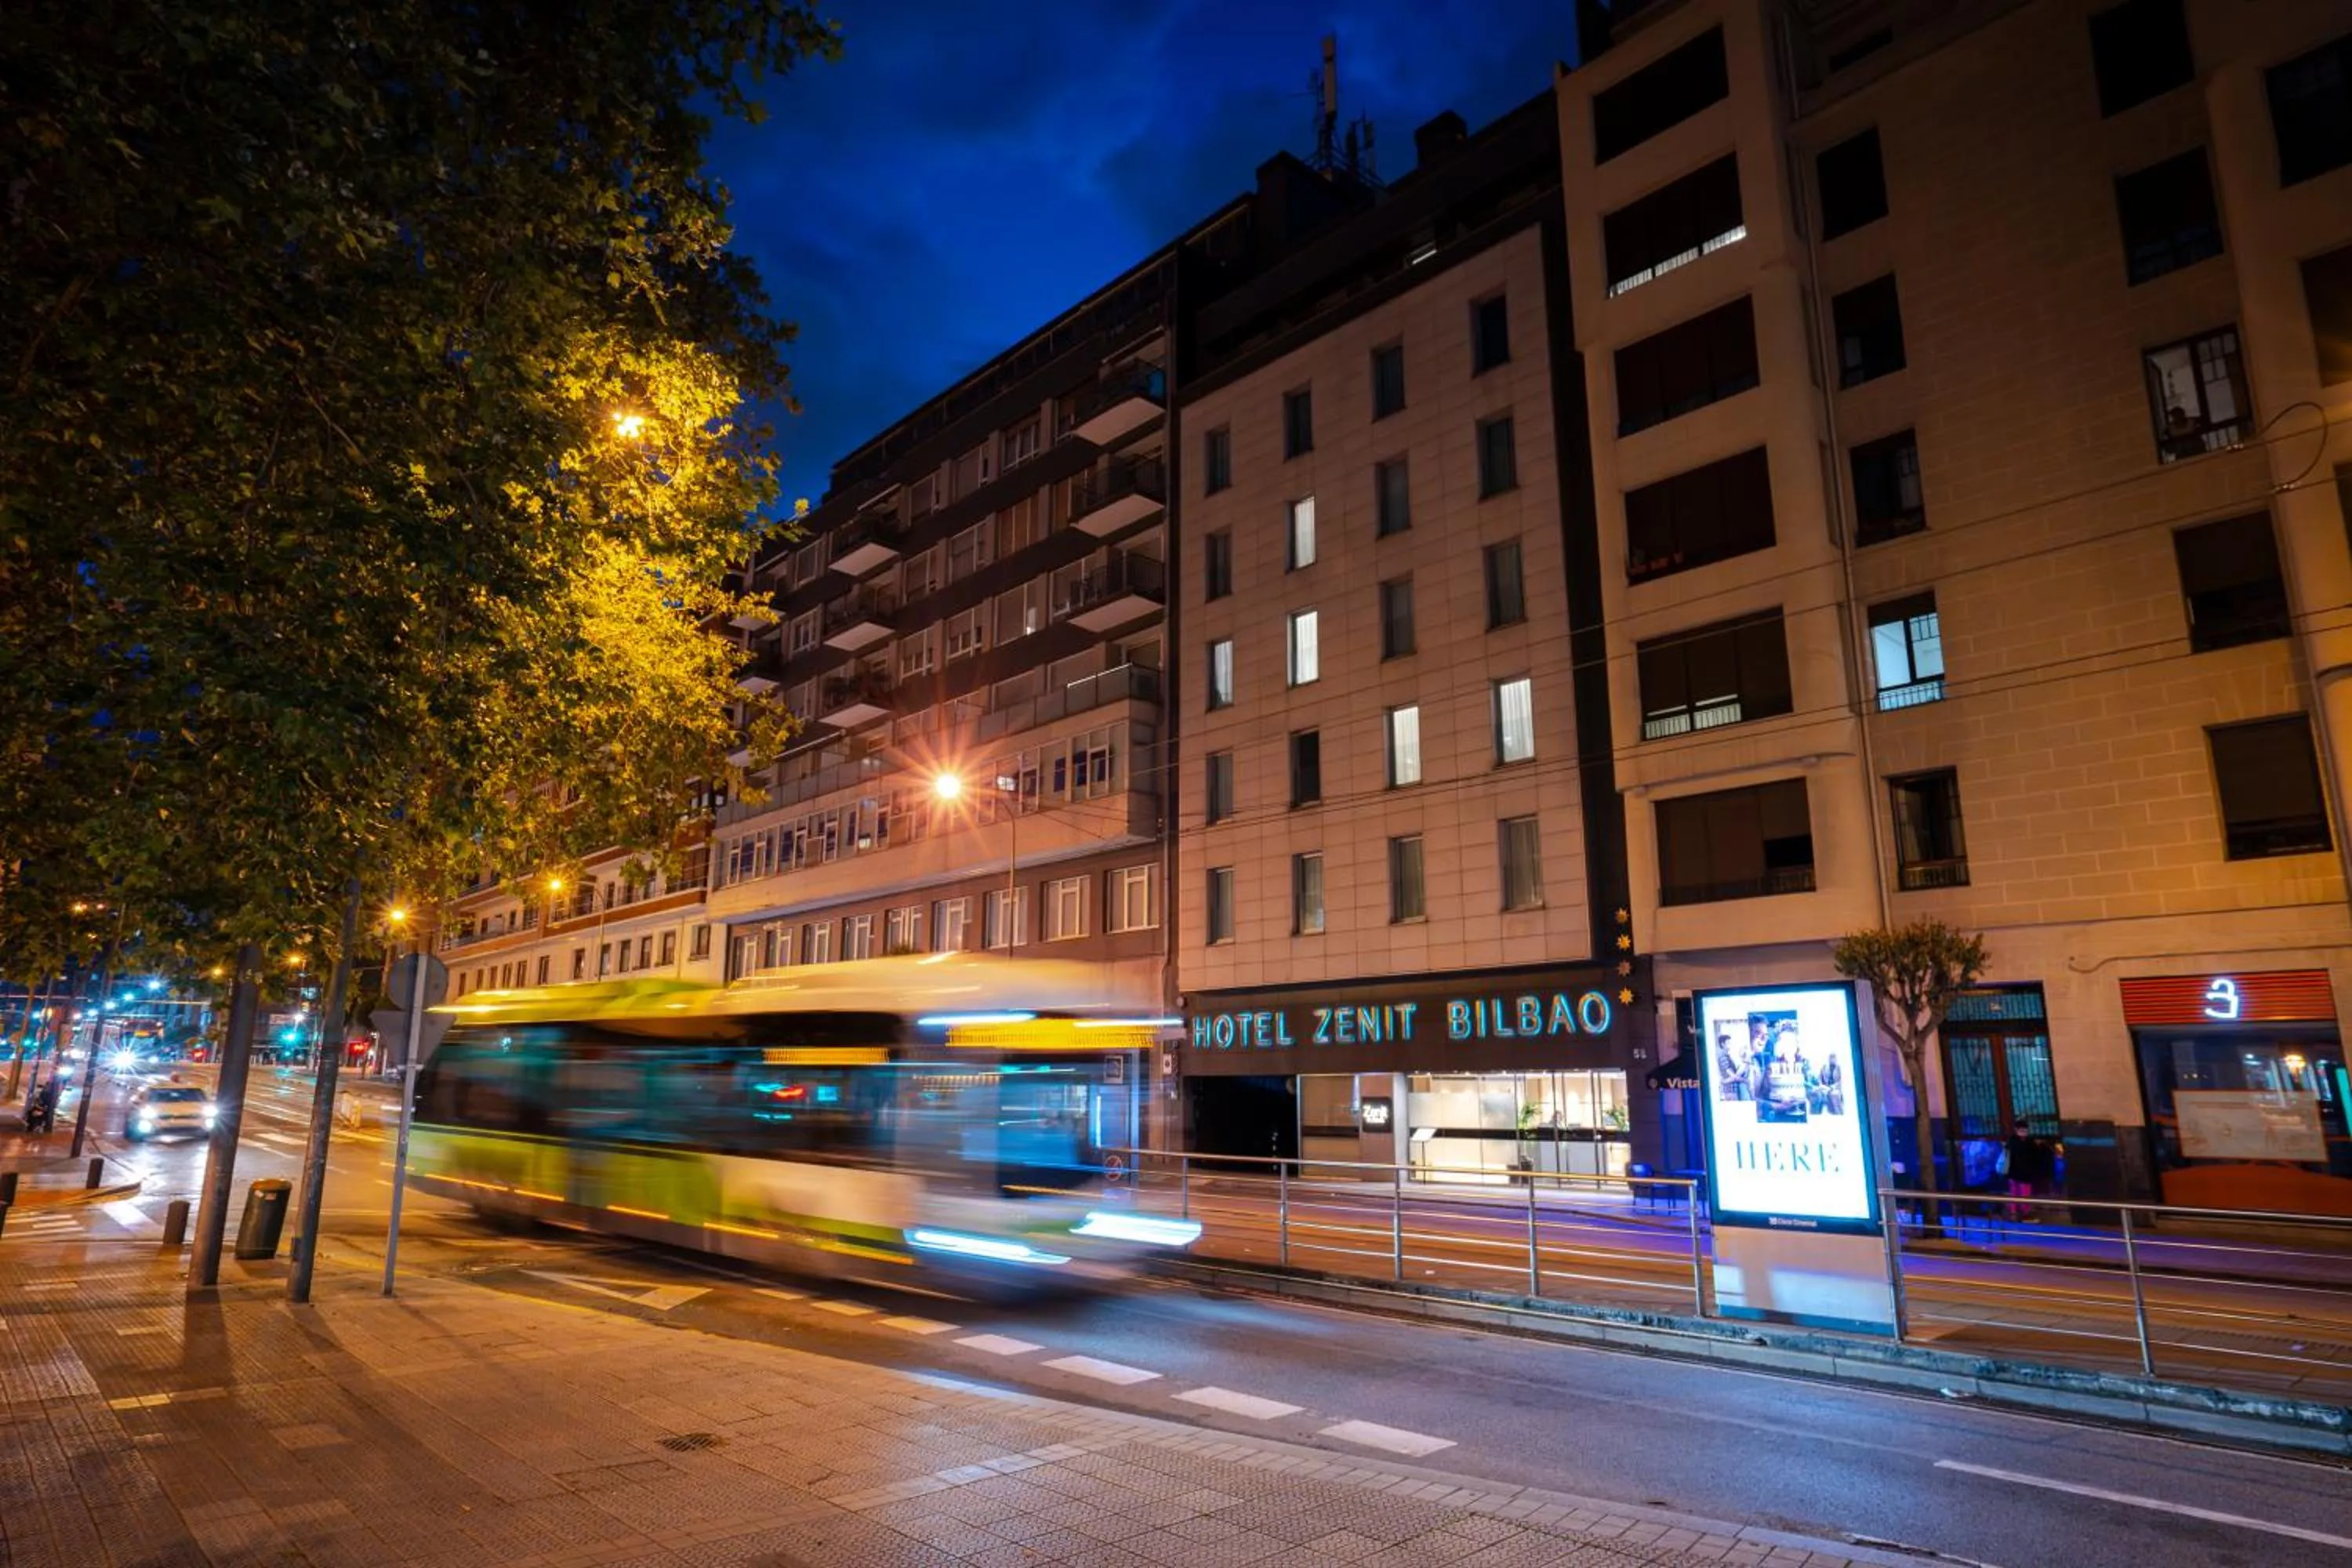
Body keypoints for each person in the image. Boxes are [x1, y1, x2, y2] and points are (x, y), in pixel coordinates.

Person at [2003, 1120, 2055, 1220]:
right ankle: (2023, 1211)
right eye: (2022, 1130)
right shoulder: (2028, 1142)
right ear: (2016, 1130)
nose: (2024, 1132)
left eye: (2025, 1130)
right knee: (2023, 1192)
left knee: (2017, 1192)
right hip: (2021, 1173)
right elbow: (2036, 1156)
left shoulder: (2012, 1141)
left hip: (2015, 1173)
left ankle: (2017, 1211)